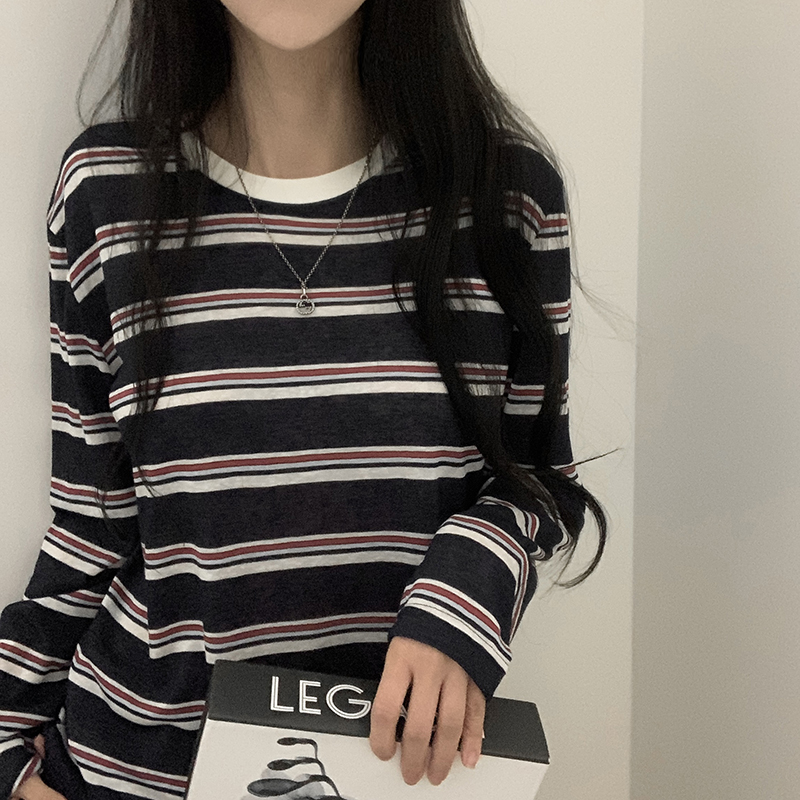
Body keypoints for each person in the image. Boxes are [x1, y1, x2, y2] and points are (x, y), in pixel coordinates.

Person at [0, 1, 607, 799]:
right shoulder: (106, 191)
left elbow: (539, 483)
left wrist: (466, 584)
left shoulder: (505, 196)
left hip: (388, 772)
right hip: (131, 773)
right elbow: (90, 524)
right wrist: (9, 759)